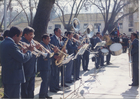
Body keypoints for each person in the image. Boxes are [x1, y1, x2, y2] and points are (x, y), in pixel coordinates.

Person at [0, 26, 33, 98]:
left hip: (7, 77)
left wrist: (22, 52)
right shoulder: (11, 44)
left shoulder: (3, 43)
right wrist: (30, 51)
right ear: (15, 36)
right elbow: (22, 59)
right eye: (20, 36)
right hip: (13, 78)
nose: (20, 39)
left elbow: (12, 56)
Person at [21, 26, 40, 98]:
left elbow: (35, 53)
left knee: (31, 89)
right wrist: (32, 49)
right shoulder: (22, 42)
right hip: (26, 68)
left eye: (33, 35)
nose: (32, 37)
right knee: (25, 90)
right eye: (31, 35)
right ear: (25, 35)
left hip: (32, 68)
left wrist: (37, 49)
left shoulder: (32, 41)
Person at [38, 34, 58, 99]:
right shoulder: (42, 45)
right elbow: (46, 55)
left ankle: (45, 94)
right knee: (44, 81)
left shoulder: (47, 45)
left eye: (49, 39)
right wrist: (53, 51)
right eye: (48, 39)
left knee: (47, 81)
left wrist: (54, 52)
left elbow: (50, 55)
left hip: (48, 65)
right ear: (44, 39)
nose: (49, 41)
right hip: (44, 66)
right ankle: (42, 96)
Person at [50, 28, 62, 92]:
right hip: (53, 58)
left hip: (58, 58)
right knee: (53, 74)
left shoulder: (58, 39)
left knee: (57, 73)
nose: (60, 33)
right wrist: (54, 56)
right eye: (59, 32)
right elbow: (51, 48)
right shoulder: (52, 38)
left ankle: (56, 86)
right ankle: (52, 87)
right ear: (55, 32)